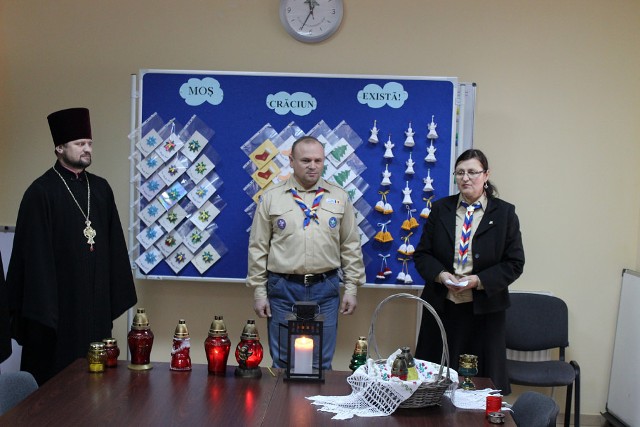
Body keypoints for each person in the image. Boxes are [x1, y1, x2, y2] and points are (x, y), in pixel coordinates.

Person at [6, 107, 137, 384]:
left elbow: (114, 249)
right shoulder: (41, 192)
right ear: (59, 148)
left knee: (97, 384)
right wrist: (45, 314)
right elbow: (33, 261)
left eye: (89, 143)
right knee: (57, 387)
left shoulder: (100, 189)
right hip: (58, 312)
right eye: (79, 144)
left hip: (95, 307)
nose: (86, 149)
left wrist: (110, 297)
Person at [247, 136, 365, 369]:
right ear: (291, 161)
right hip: (283, 288)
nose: (313, 166)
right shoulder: (271, 198)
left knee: (321, 363)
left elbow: (350, 246)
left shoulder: (339, 197)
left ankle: (317, 394)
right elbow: (258, 247)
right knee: (283, 362)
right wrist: (259, 292)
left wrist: (351, 288)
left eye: (318, 160)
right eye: (306, 160)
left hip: (325, 287)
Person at [413, 148, 524, 394]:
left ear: (486, 175)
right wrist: (442, 276)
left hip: (484, 312)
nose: (466, 178)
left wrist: (479, 280)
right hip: (443, 306)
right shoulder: (440, 209)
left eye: (472, 172)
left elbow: (514, 263)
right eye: (460, 172)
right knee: (435, 380)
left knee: (479, 385)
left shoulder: (504, 213)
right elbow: (422, 255)